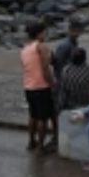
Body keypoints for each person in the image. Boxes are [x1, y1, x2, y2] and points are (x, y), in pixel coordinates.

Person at [21, 22, 58, 154]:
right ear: (39, 34)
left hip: (28, 86)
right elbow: (45, 68)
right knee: (43, 118)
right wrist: (53, 83)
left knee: (33, 115)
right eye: (44, 32)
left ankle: (31, 141)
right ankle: (41, 147)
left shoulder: (25, 49)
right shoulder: (41, 47)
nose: (45, 35)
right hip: (41, 86)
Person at [59, 47, 89, 112]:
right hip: (86, 103)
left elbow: (63, 91)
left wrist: (61, 105)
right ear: (84, 58)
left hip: (70, 104)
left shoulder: (66, 70)